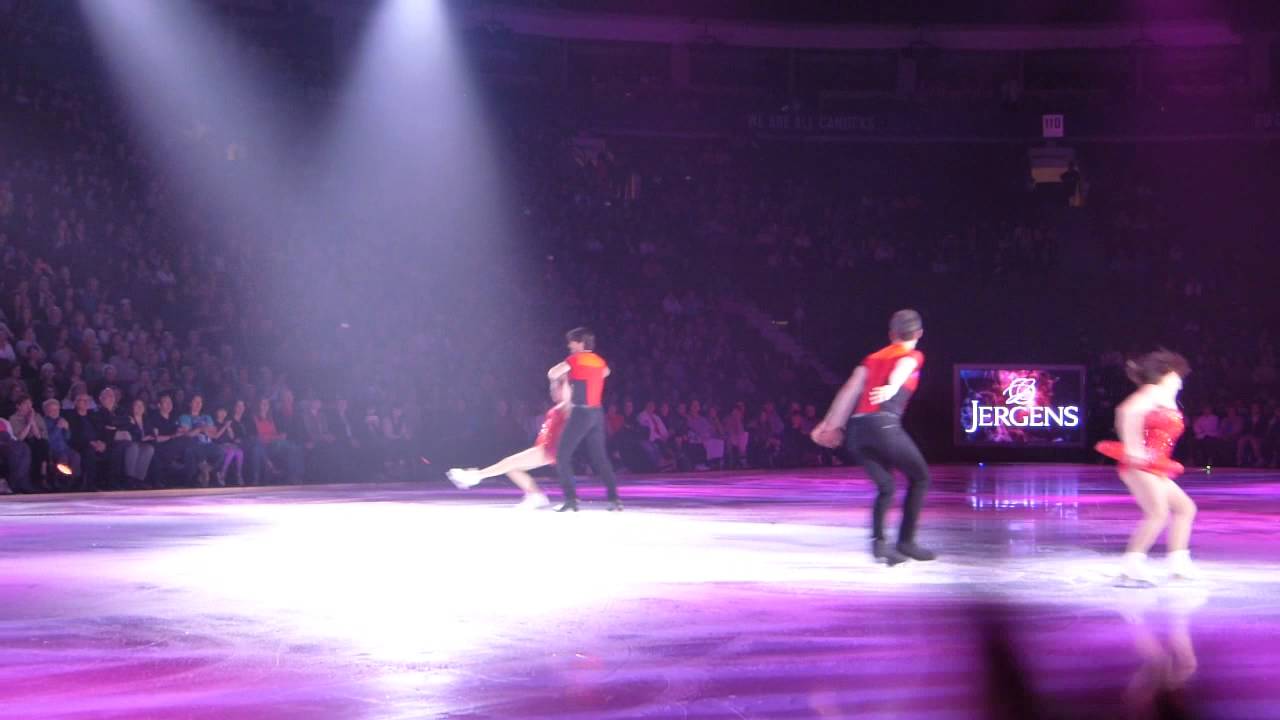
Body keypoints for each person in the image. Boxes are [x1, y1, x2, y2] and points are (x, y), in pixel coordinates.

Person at [811, 309, 935, 566]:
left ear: (891, 334)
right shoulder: (912, 354)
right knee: (921, 477)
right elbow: (905, 365)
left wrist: (830, 425)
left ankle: (880, 544)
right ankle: (906, 542)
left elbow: (849, 391)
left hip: (857, 432)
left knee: (886, 486)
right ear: (918, 334)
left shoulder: (871, 359)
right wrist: (892, 386)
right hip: (883, 426)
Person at [1095, 350, 1199, 584]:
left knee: (1185, 508)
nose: (1180, 380)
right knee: (1158, 513)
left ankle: (1178, 563)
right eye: (1177, 375)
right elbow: (1126, 411)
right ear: (1168, 374)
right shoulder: (1152, 393)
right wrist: (1132, 446)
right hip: (1140, 464)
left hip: (1156, 465)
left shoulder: (1165, 397)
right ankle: (1132, 564)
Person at [446, 377, 569, 510]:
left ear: (565, 390)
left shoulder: (568, 406)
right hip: (544, 447)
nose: (552, 392)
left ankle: (476, 476)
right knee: (511, 468)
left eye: (555, 389)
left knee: (508, 463)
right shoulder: (558, 407)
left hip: (551, 448)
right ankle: (536, 495)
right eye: (551, 389)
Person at [547, 327, 622, 512]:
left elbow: (552, 373)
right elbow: (606, 373)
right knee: (600, 457)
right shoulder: (599, 361)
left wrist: (567, 374)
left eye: (571, 341)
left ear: (580, 342)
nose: (569, 345)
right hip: (597, 413)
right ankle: (614, 499)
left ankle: (571, 499)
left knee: (562, 455)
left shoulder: (574, 359)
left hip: (581, 413)